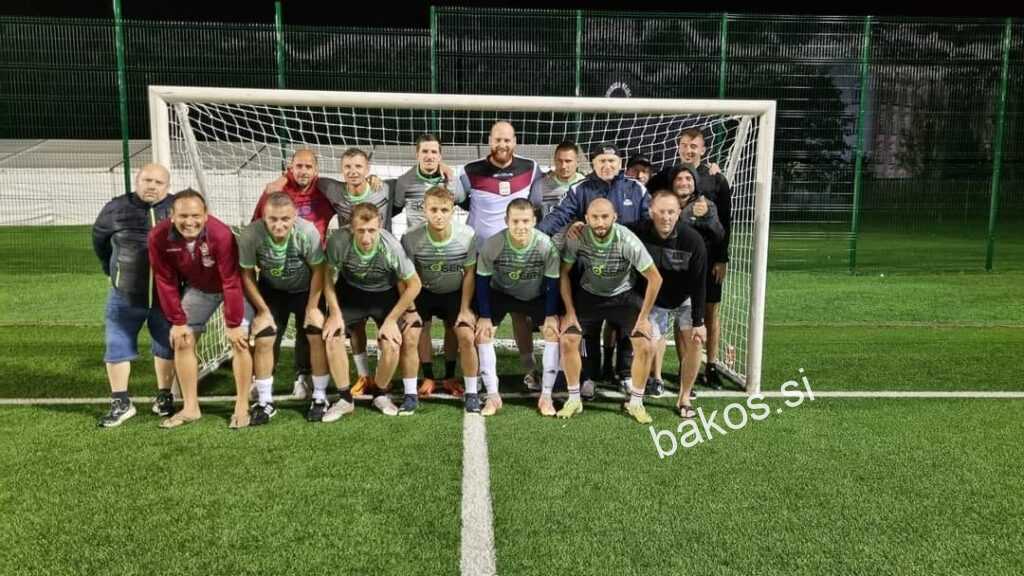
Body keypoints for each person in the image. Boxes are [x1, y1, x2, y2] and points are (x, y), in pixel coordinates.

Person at [538, 142, 650, 397]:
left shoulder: (636, 189)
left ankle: (625, 373)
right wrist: (537, 236)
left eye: (612, 161)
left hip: (627, 272)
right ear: (593, 164)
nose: (607, 165)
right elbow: (559, 215)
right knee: (588, 325)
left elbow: (649, 222)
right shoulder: (580, 189)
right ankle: (589, 375)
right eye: (601, 161)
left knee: (627, 324)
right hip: (589, 270)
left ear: (620, 163)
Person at [148, 189, 252, 429]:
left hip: (234, 288)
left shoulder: (221, 234)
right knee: (182, 340)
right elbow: (164, 280)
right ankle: (190, 407)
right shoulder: (158, 237)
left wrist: (233, 323)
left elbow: (231, 281)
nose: (189, 222)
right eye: (183, 216)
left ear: (206, 215)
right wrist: (178, 321)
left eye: (195, 216)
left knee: (240, 341)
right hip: (200, 290)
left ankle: (242, 405)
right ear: (172, 216)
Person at [558, 198, 662, 424]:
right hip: (589, 295)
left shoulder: (627, 240)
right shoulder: (578, 237)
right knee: (567, 339)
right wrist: (569, 312)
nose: (600, 222)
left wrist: (643, 318)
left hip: (623, 296)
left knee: (645, 343)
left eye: (605, 217)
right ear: (586, 219)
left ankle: (636, 403)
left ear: (614, 217)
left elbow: (655, 278)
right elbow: (564, 272)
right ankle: (574, 399)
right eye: (594, 217)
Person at [459, 121, 546, 390]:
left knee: (521, 315)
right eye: (497, 139)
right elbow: (456, 198)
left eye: (507, 140)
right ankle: (479, 375)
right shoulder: (470, 171)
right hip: (481, 258)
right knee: (481, 319)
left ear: (515, 141)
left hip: (518, 257)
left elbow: (538, 205)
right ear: (489, 141)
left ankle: (530, 369)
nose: (502, 145)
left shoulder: (531, 168)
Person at [92, 163, 177, 427]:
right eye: (147, 180)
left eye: (158, 182)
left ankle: (164, 396)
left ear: (167, 186)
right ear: (137, 181)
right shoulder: (116, 208)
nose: (152, 186)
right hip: (125, 294)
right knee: (117, 346)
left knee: (166, 345)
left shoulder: (177, 207)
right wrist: (111, 270)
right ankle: (121, 402)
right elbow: (99, 241)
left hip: (166, 295)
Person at [321, 203, 423, 419]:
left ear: (380, 227)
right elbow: (327, 277)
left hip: (384, 293)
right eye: (360, 231)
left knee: (392, 343)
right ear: (351, 228)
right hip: (351, 291)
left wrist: (392, 320)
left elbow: (415, 285)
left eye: (371, 230)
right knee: (332, 336)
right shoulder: (338, 241)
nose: (366, 238)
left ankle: (380, 393)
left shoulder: (391, 246)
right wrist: (334, 314)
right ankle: (344, 399)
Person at [238, 192, 333, 424]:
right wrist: (262, 311)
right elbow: (247, 275)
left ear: (295, 216)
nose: (279, 225)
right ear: (263, 216)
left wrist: (313, 307)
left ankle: (320, 397)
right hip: (272, 291)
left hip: (305, 290)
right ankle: (265, 400)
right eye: (273, 219)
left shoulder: (307, 231)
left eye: (285, 219)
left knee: (315, 333)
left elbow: (319, 270)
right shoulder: (250, 234)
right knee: (264, 336)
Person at [649, 128, 733, 389]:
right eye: (685, 145)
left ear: (703, 150)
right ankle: (672, 370)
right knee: (678, 313)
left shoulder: (716, 180)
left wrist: (722, 258)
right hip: (674, 261)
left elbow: (725, 223)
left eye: (694, 146)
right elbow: (646, 190)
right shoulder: (667, 176)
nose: (689, 150)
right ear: (678, 147)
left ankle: (711, 366)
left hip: (708, 259)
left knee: (709, 311)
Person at [251, 149, 336, 399]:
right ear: (291, 168)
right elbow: (257, 224)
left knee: (307, 329)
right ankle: (262, 379)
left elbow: (350, 196)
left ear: (316, 170)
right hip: (275, 274)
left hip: (311, 275)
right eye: (299, 166)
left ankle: (303, 377)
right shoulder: (274, 192)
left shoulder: (325, 192)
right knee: (270, 330)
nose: (303, 171)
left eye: (308, 167)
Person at [391, 134, 466, 394]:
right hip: (418, 259)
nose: (430, 156)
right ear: (417, 154)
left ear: (440, 155)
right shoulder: (404, 181)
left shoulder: (450, 179)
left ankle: (450, 375)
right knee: (421, 325)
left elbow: (462, 200)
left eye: (434, 152)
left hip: (446, 257)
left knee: (452, 325)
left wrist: (451, 178)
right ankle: (428, 376)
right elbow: (390, 209)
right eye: (425, 151)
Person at [474, 199, 562, 417]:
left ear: (534, 221)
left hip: (534, 295)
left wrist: (551, 315)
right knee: (483, 333)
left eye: (525, 221)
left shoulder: (545, 245)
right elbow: (482, 282)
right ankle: (492, 396)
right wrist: (485, 316)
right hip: (501, 293)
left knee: (552, 332)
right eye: (515, 221)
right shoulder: (493, 244)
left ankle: (546, 396)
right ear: (506, 221)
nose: (520, 226)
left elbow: (553, 284)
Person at [629, 190, 708, 416]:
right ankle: (638, 395)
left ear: (679, 213)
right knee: (647, 343)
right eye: (661, 212)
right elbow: (611, 230)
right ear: (651, 212)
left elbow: (699, 284)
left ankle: (684, 398)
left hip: (685, 298)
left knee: (695, 340)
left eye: (671, 212)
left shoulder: (693, 241)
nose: (666, 217)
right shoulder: (636, 232)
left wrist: (699, 322)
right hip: (653, 299)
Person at [401, 186, 479, 404]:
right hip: (423, 291)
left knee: (465, 334)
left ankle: (462, 385)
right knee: (414, 333)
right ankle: (425, 379)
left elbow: (469, 273)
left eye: (444, 210)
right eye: (433, 209)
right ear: (424, 210)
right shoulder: (410, 237)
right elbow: (407, 276)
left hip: (454, 291)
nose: (438, 215)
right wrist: (411, 309)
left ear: (452, 211)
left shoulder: (467, 236)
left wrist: (465, 309)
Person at [539, 140, 585, 218]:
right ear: (554, 160)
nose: (563, 166)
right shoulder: (540, 186)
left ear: (578, 162)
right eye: (560, 161)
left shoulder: (587, 186)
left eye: (568, 161)